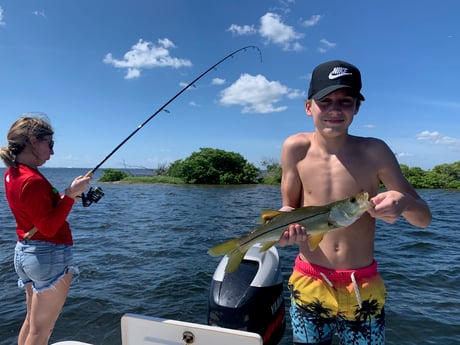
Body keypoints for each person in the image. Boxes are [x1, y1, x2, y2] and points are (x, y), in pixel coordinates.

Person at [277, 60, 432, 345]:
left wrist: (403, 202)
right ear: (308, 106)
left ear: (357, 108)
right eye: (325, 101)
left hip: (362, 285)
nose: (335, 109)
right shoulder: (294, 148)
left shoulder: (375, 151)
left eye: (345, 102)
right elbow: (290, 208)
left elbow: (424, 219)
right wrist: (284, 230)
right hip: (308, 280)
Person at [0, 115, 91, 345]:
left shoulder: (13, 174)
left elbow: (38, 211)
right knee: (41, 332)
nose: (52, 152)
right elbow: (49, 227)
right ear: (32, 141)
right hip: (48, 255)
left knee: (32, 323)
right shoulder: (33, 180)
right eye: (49, 144)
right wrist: (70, 196)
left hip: (26, 253)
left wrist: (67, 194)